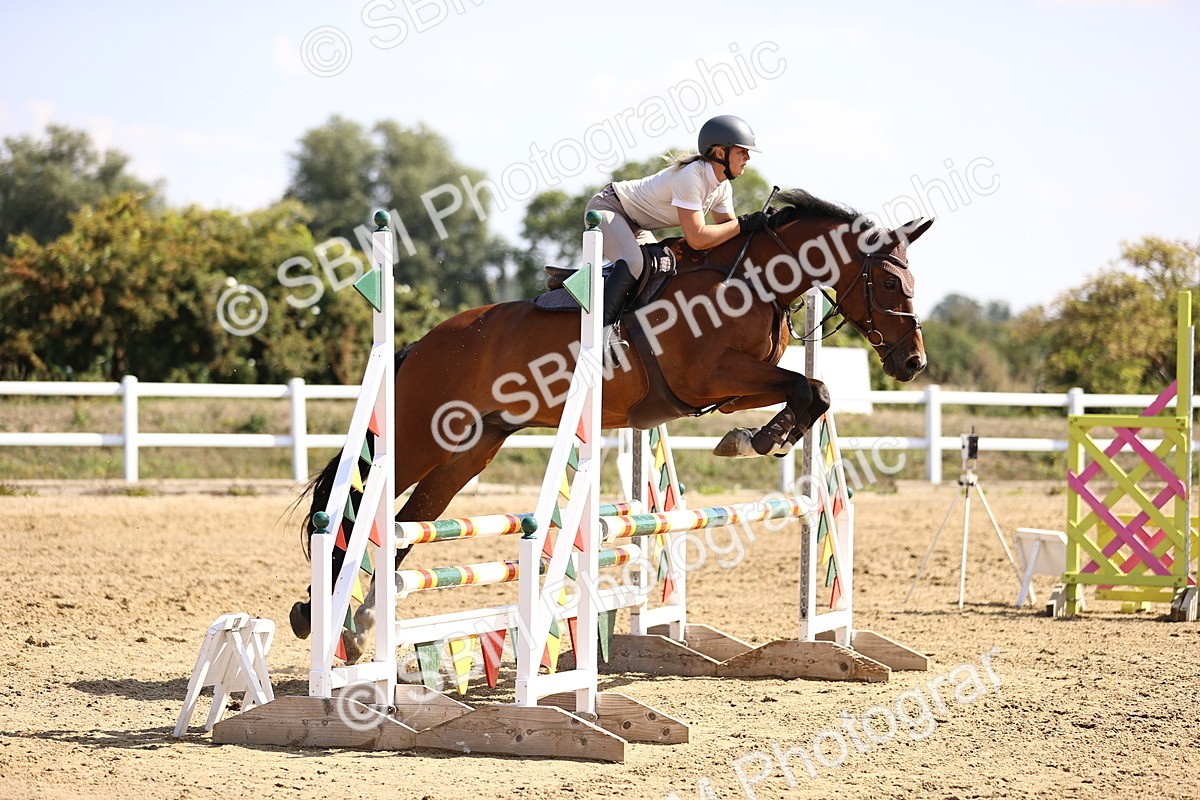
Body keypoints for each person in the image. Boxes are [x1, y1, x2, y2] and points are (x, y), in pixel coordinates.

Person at [585, 114, 769, 326]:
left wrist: (765, 226)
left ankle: (630, 326)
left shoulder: (722, 186)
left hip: (636, 225)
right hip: (609, 208)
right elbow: (697, 239)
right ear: (720, 152)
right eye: (742, 151)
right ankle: (599, 332)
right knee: (634, 262)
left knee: (659, 270)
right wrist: (744, 223)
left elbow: (729, 233)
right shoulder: (691, 176)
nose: (747, 158)